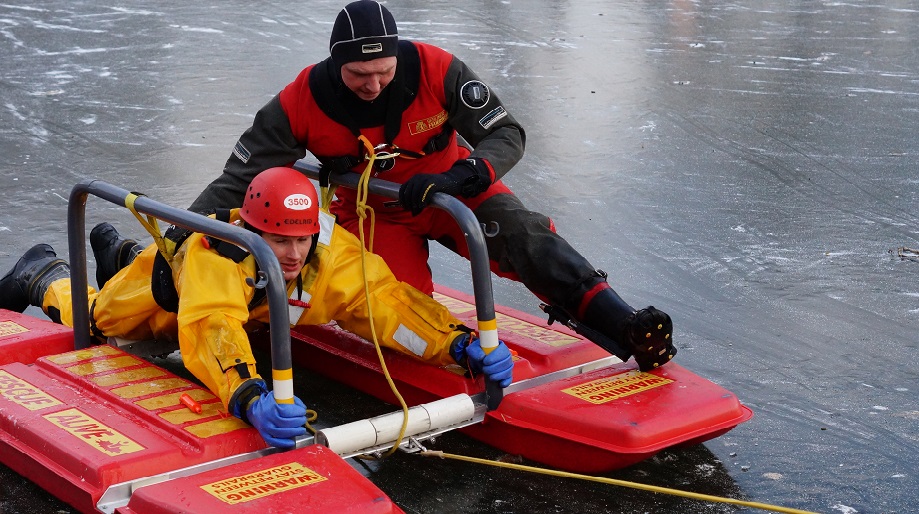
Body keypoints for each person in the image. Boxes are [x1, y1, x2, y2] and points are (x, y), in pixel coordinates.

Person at [187, 1, 676, 371]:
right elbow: (238, 180)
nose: (374, 85)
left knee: (526, 237)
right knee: (398, 313)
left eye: (383, 72)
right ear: (337, 64)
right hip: (374, 210)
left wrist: (461, 177)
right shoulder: (300, 100)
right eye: (359, 74)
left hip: (451, 190)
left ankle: (625, 324)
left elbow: (506, 133)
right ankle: (452, 351)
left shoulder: (437, 69)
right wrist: (179, 236)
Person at [0, 167, 513, 449]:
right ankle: (43, 274)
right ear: (253, 231)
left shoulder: (329, 255)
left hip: (244, 304)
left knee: (365, 290)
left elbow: (385, 303)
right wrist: (248, 395)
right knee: (97, 321)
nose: (291, 255)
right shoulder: (219, 258)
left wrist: (456, 343)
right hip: (169, 296)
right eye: (277, 240)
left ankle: (118, 250)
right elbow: (210, 326)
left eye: (302, 240)